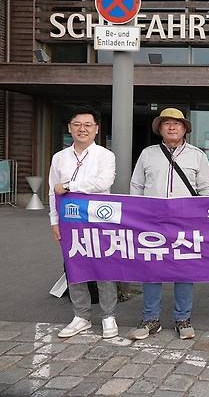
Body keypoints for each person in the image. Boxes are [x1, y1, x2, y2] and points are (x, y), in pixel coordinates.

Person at [128, 108, 209, 340]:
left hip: (186, 222)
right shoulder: (148, 154)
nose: (172, 127)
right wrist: (137, 216)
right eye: (167, 123)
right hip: (151, 221)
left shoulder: (198, 156)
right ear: (160, 129)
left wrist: (201, 219)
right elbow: (136, 186)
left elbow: (206, 190)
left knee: (184, 270)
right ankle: (150, 319)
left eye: (177, 123)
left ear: (185, 128)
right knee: (151, 269)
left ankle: (183, 318)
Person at [48, 106, 118, 339]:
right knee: (75, 266)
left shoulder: (105, 156)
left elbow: (103, 182)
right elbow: (52, 192)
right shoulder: (59, 157)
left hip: (100, 219)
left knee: (104, 267)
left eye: (88, 125)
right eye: (77, 124)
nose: (82, 129)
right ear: (69, 128)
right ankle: (81, 316)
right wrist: (53, 221)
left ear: (96, 129)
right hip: (69, 220)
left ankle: (109, 316)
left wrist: (69, 186)